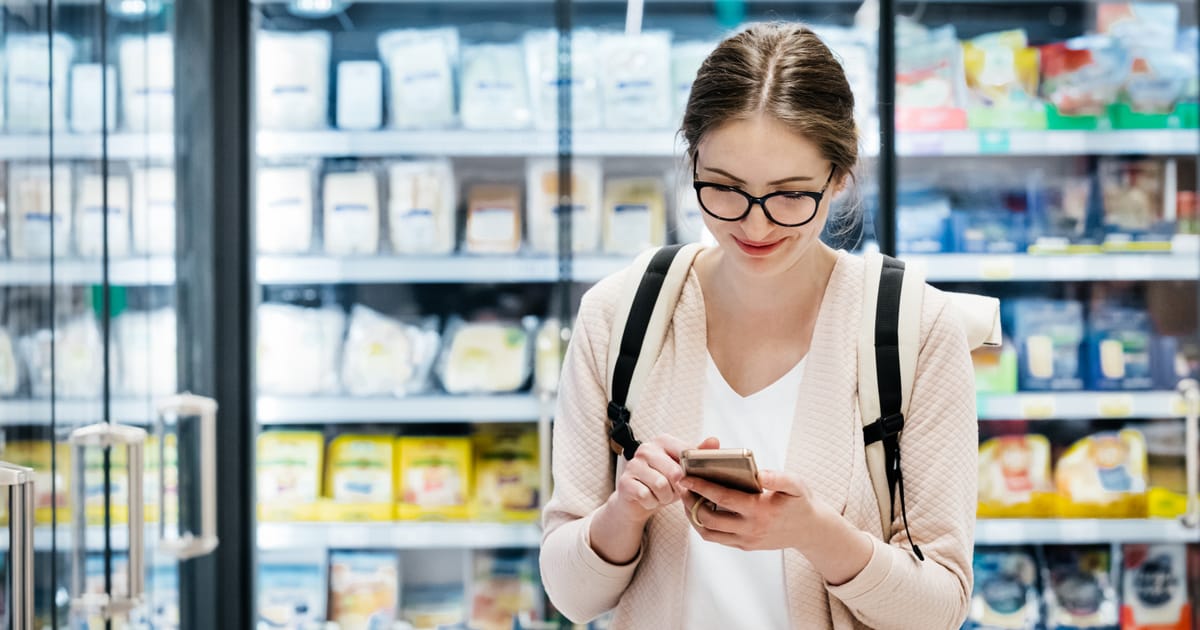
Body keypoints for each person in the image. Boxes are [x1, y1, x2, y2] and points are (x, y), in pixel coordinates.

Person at [540, 22, 977, 630]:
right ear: (692, 158)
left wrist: (816, 535)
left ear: (840, 175)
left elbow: (940, 607)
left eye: (791, 194)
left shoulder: (916, 329)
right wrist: (625, 511)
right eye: (723, 189)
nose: (756, 225)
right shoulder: (617, 316)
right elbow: (570, 594)